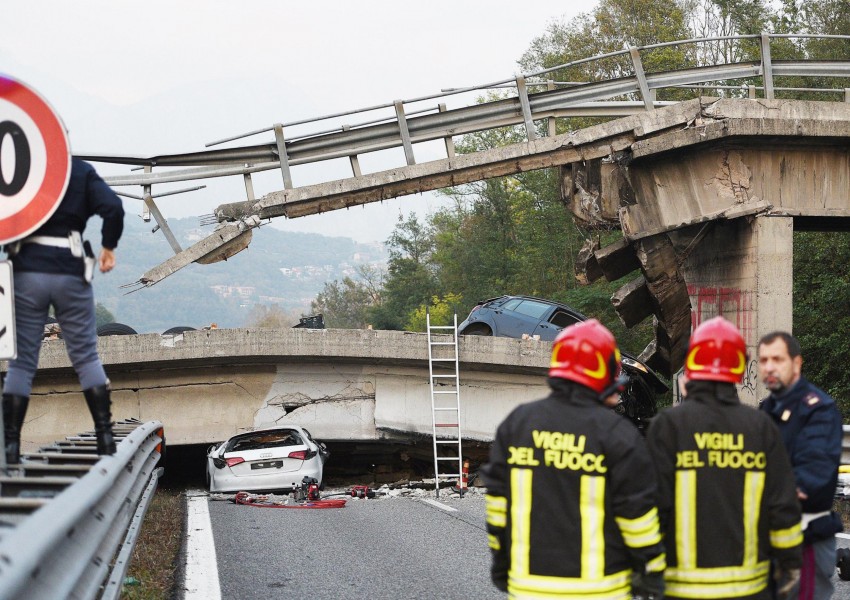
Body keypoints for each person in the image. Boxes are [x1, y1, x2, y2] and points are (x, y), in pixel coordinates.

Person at [481, 319, 666, 599]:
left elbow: (498, 507)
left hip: (529, 589)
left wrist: (502, 564)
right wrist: (651, 571)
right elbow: (637, 516)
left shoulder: (517, 424)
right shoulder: (618, 435)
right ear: (604, 376)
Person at [646, 316, 803, 599]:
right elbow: (783, 510)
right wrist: (789, 569)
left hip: (682, 589)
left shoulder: (668, 427)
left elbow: (650, 509)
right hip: (749, 589)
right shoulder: (761, 428)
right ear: (740, 368)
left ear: (691, 366)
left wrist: (650, 574)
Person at [3, 158, 125, 462]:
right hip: (71, 269)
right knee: (85, 357)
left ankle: (11, 447)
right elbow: (114, 208)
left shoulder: (19, 166)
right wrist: (108, 247)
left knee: (22, 363)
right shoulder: (79, 170)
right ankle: (105, 439)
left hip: (26, 271)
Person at [758, 331, 843, 600]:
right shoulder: (765, 410)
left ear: (796, 363)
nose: (769, 366)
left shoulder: (818, 410)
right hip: (766, 542)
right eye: (763, 360)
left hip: (805, 543)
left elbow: (810, 481)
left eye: (777, 359)